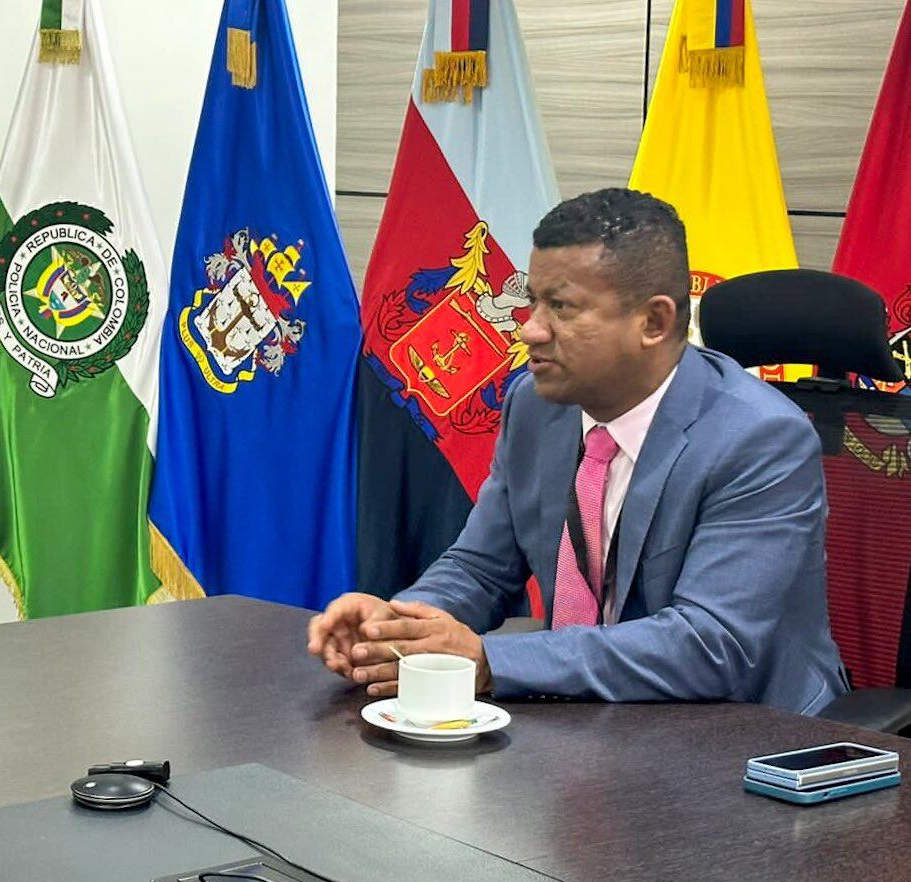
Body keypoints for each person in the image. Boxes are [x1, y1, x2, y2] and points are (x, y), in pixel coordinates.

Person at [308, 188, 845, 715]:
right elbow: (480, 568)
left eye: (561, 307)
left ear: (653, 323)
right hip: (589, 717)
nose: (529, 330)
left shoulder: (761, 439)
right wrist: (397, 626)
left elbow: (710, 646)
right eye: (532, 301)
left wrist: (490, 660)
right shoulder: (536, 404)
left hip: (746, 736)